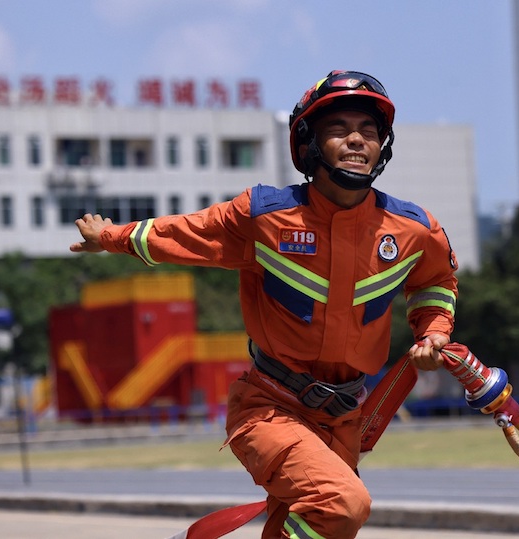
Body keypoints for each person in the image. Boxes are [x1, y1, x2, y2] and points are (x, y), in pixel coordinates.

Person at [71, 69, 458, 539]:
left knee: (310, 523)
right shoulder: (262, 216)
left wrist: (433, 333)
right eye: (339, 129)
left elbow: (436, 283)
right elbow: (187, 233)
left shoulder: (414, 230)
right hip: (270, 408)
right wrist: (108, 237)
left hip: (345, 418)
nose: (357, 140)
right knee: (341, 505)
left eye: (369, 131)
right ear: (308, 143)